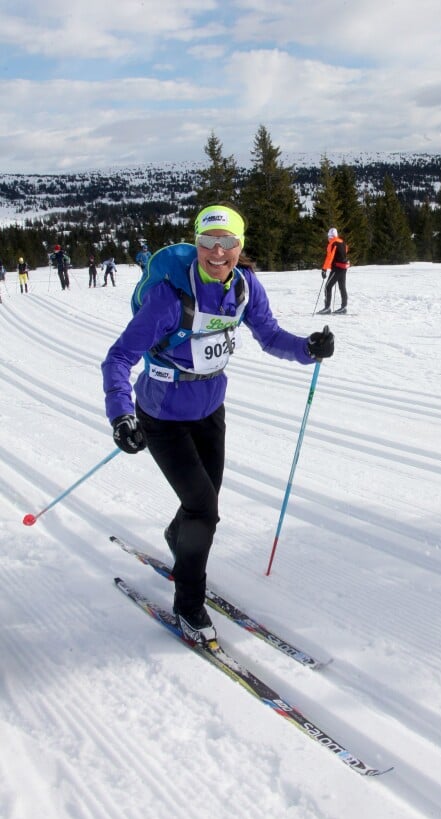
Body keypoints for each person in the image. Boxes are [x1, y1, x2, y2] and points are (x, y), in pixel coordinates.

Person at [101, 203, 334, 643]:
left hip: (210, 411)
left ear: (239, 245)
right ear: (196, 243)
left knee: (200, 507)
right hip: (162, 416)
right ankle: (189, 604)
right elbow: (119, 358)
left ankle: (177, 536)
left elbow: (269, 335)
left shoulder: (245, 288)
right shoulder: (169, 298)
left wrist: (307, 348)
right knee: (205, 511)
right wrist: (121, 413)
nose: (217, 252)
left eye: (227, 242)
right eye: (208, 242)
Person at [318, 227, 349, 315]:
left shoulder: (332, 243)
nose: (328, 238)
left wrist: (324, 269)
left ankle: (327, 308)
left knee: (328, 286)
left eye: (328, 236)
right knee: (342, 287)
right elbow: (346, 250)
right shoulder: (342, 242)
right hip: (344, 268)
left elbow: (329, 257)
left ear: (331, 236)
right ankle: (344, 307)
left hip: (337, 268)